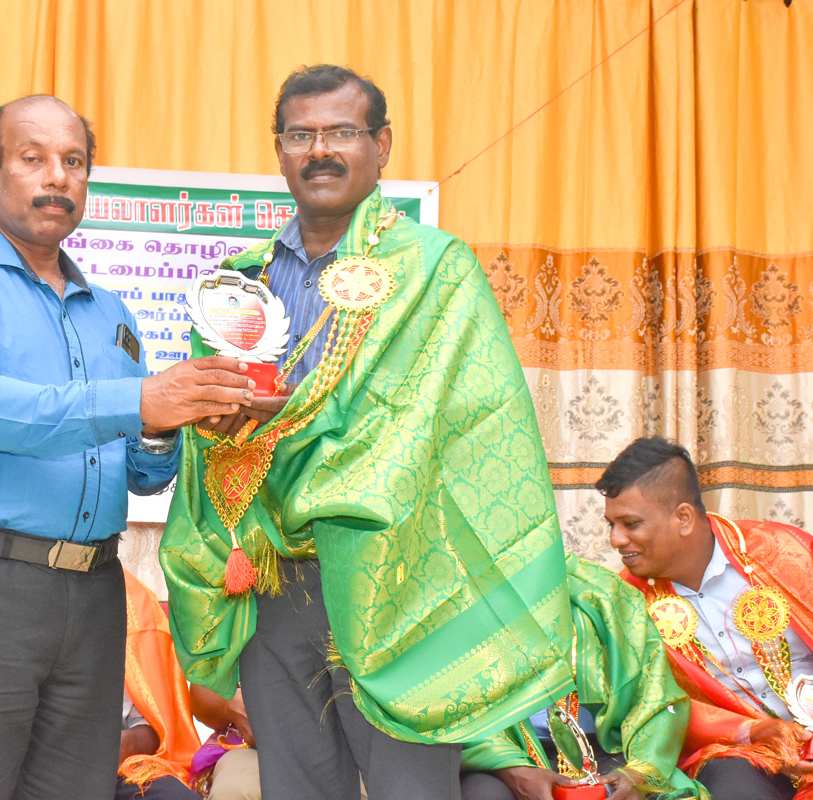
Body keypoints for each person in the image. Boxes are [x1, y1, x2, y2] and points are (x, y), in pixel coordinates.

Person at [160, 64, 573, 800]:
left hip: (397, 577)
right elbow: (212, 425)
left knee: (410, 788)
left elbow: (445, 421)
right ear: (279, 150)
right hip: (273, 577)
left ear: (381, 146)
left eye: (341, 132)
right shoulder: (241, 279)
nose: (320, 150)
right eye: (301, 135)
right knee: (295, 787)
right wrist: (217, 422)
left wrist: (299, 420)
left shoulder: (434, 268)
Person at [0, 94, 255, 800]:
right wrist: (139, 401)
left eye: (74, 162)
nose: (58, 176)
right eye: (33, 159)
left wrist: (163, 426)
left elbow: (141, 473)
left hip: (93, 593)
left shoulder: (110, 312)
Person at [599, 436, 813, 800]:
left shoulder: (785, 552)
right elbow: (650, 705)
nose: (616, 539)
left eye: (630, 524)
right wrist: (754, 732)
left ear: (683, 518)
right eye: (611, 524)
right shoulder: (626, 604)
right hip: (740, 755)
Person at [461, 554, 708, 800]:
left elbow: (656, 698)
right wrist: (514, 771)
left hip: (609, 750)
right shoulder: (462, 602)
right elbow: (454, 713)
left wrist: (638, 775)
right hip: (505, 756)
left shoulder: (606, 594)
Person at [118, 569, 202, 800]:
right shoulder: (30, 596)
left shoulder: (131, 599)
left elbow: (152, 728)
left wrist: (122, 745)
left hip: (120, 767)